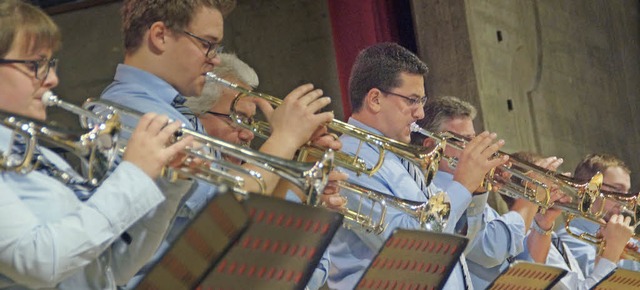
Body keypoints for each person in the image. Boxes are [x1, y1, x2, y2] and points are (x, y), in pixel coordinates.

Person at [0, 1, 191, 288]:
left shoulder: (44, 157)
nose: (52, 79)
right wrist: (134, 174)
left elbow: (113, 268)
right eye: (35, 65)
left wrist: (170, 183)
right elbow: (40, 262)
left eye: (50, 64)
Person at [327, 43, 509, 289]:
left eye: (422, 101)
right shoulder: (348, 158)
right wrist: (463, 185)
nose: (421, 113)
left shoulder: (400, 157)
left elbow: (455, 240)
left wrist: (475, 194)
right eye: (412, 100)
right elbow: (414, 248)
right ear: (375, 99)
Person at [184, 53, 335, 290]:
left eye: (250, 122)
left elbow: (307, 271)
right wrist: (284, 141)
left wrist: (306, 190)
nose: (249, 134)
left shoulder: (245, 174)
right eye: (238, 119)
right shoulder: (193, 162)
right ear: (197, 114)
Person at [411, 96, 564, 288]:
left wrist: (543, 223)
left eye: (475, 140)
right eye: (464, 141)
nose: (477, 149)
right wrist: (531, 199)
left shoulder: (471, 192)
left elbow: (526, 265)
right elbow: (491, 250)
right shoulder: (437, 194)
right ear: (432, 147)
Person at [509, 152, 636, 290]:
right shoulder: (520, 241)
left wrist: (609, 254)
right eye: (549, 180)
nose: (558, 187)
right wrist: (612, 251)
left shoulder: (549, 238)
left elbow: (582, 287)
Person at [556, 153, 640, 275]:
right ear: (591, 187)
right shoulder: (569, 234)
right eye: (617, 189)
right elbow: (593, 281)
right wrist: (614, 249)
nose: (627, 199)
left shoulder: (628, 236)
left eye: (627, 192)